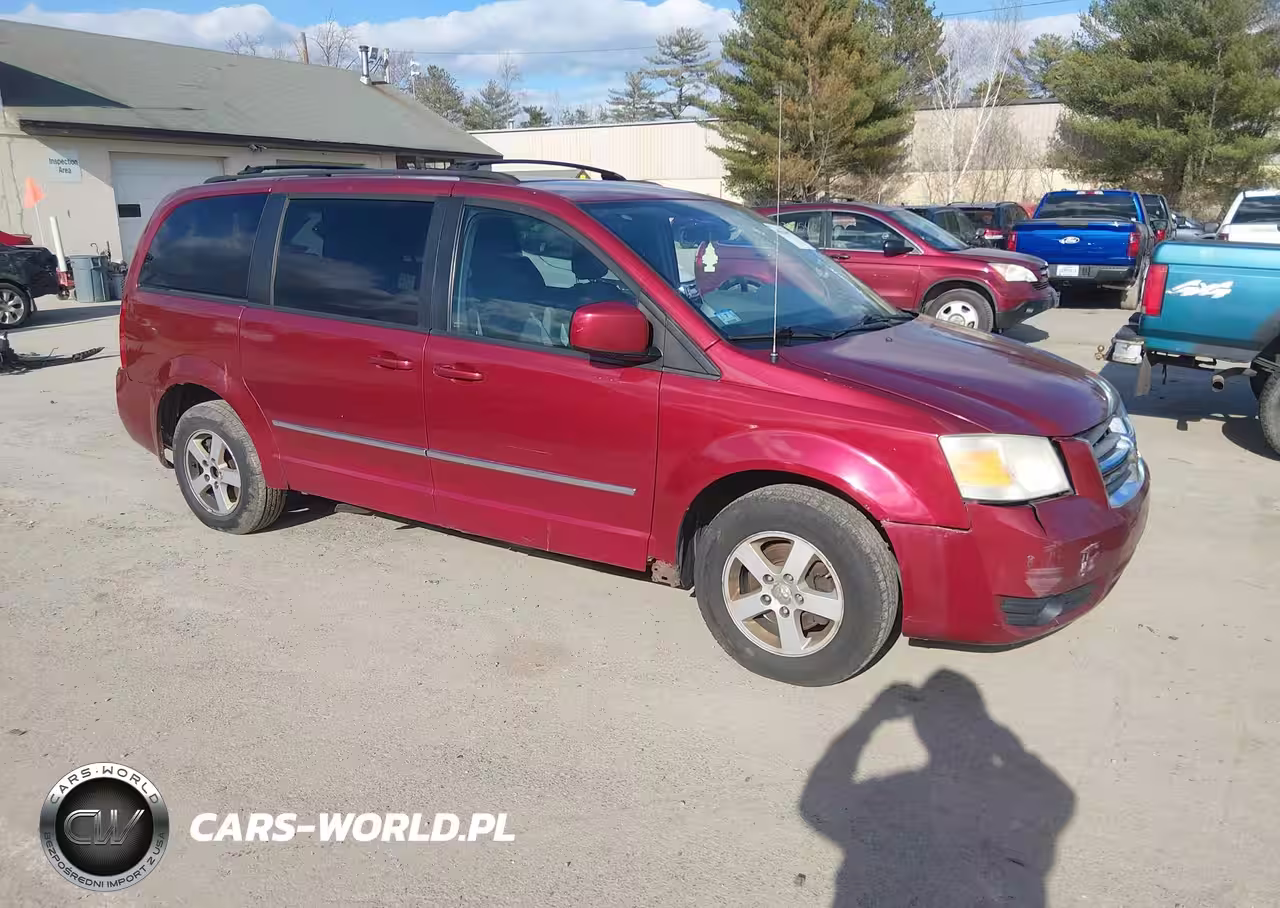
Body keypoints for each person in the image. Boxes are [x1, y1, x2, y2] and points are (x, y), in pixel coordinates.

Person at [800, 670, 1075, 907]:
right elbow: (1057, 796)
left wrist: (869, 720)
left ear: (920, 731)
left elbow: (816, 803)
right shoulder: (1015, 795)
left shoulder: (897, 792)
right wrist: (994, 734)